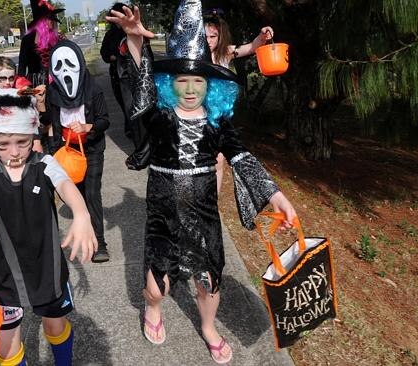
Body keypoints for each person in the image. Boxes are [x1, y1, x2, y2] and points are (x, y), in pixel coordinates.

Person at [106, 2, 297, 364]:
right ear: (168, 83)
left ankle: (208, 327)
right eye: (182, 80)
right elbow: (140, 80)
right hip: (162, 210)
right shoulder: (159, 116)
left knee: (210, 280)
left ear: (210, 85)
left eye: (199, 81)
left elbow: (241, 157)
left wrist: (276, 196)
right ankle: (154, 310)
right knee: (155, 285)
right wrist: (133, 37)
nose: (191, 89)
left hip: (204, 211)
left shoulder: (216, 122)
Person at [0, 87, 97, 366]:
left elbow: (66, 186)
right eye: (2, 144)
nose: (13, 152)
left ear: (33, 135)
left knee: (55, 326)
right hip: (7, 278)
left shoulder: (45, 164)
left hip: (47, 270)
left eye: (22, 142)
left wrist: (82, 214)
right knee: (6, 344)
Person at [47, 40, 111, 263]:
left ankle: (100, 243)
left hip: (92, 149)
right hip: (68, 152)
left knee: (92, 193)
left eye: (69, 63)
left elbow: (105, 121)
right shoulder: (52, 93)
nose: (65, 70)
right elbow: (52, 123)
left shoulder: (93, 89)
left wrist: (87, 127)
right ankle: (85, 232)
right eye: (59, 65)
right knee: (77, 195)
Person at [204, 8, 275, 194]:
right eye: (205, 36)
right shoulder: (193, 54)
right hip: (195, 114)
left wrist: (263, 36)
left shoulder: (225, 53)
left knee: (218, 159)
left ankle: (213, 200)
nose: (208, 40)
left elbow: (251, 47)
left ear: (220, 37)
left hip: (218, 116)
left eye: (213, 36)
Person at [18, 0, 65, 154]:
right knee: (38, 118)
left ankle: (55, 150)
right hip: (34, 83)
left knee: (54, 117)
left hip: (54, 82)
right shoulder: (28, 39)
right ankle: (40, 149)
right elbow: (22, 64)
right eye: (50, 18)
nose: (53, 22)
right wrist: (20, 86)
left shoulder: (58, 38)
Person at [0, 56, 41, 160]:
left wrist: (37, 141)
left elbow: (32, 119)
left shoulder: (21, 94)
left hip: (22, 142)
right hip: (2, 145)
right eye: (2, 78)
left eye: (11, 78)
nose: (7, 82)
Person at [100, 2, 138, 142]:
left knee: (134, 105)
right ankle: (130, 129)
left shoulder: (133, 30)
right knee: (125, 105)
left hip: (135, 74)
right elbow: (104, 53)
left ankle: (135, 132)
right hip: (117, 74)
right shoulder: (111, 34)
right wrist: (112, 57)